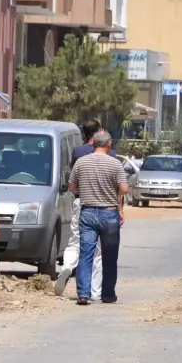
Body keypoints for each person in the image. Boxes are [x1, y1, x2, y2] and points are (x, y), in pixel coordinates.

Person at [67, 130, 128, 305]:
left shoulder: (81, 163)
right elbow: (124, 189)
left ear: (93, 144)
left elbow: (71, 187)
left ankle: (83, 294)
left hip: (87, 213)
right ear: (109, 145)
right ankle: (107, 294)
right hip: (109, 213)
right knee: (109, 256)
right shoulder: (115, 164)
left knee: (86, 253)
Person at [55, 119, 111, 298]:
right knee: (98, 250)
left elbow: (72, 181)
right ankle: (95, 291)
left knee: (75, 242)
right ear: (100, 132)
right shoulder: (111, 154)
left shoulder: (78, 152)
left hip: (81, 201)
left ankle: (67, 267)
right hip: (104, 205)